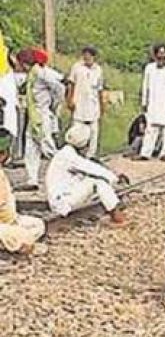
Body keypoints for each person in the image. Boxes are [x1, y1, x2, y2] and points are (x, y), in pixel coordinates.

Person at [45, 123, 126, 224]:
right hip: (62, 201)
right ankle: (116, 214)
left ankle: (113, 205)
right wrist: (115, 178)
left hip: (62, 197)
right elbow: (92, 168)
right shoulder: (69, 156)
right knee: (97, 182)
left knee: (93, 181)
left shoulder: (66, 152)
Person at [20, 49, 64, 191]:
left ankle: (68, 170)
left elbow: (59, 86)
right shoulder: (32, 75)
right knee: (31, 148)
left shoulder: (41, 73)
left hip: (42, 114)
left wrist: (55, 104)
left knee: (48, 147)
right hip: (33, 116)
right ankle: (32, 179)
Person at [0, 128, 45, 254]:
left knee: (38, 225)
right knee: (22, 236)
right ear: (3, 154)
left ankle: (12, 241)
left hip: (11, 221)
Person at [137, 44, 165, 162]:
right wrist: (144, 102)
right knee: (150, 129)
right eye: (159, 54)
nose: (162, 57)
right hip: (153, 103)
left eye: (164, 54)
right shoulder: (149, 68)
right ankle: (146, 153)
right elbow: (145, 86)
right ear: (155, 56)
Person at [66, 46, 104, 159]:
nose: (87, 57)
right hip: (79, 103)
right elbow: (71, 84)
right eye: (85, 55)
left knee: (93, 132)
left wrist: (102, 106)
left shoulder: (98, 70)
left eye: (89, 55)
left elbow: (100, 89)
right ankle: (74, 155)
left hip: (93, 104)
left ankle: (91, 155)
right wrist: (70, 99)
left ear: (93, 57)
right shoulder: (77, 67)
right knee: (77, 130)